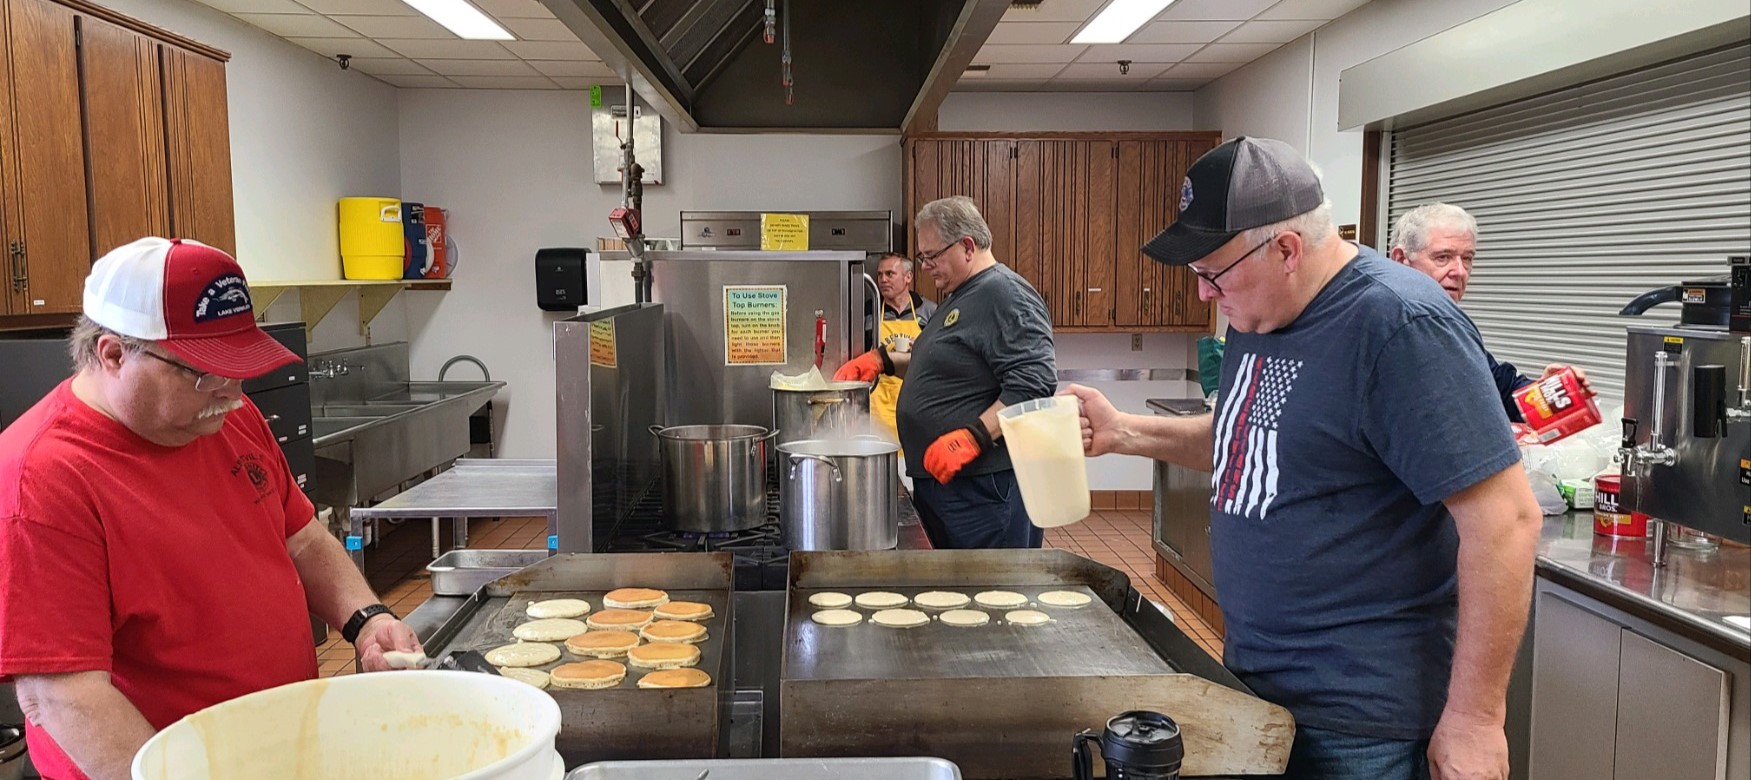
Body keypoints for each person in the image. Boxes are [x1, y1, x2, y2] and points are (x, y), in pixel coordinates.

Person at [1064, 138, 1541, 780]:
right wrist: (1124, 432)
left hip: (1361, 718)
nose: (1205, 295)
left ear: (1286, 249)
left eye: (1213, 274)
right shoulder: (1256, 316)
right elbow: (1250, 437)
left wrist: (1476, 719)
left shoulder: (1398, 325)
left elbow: (1505, 521)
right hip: (1260, 684)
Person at [0, 238, 423, 780]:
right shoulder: (41, 479)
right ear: (112, 354)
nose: (229, 390)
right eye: (203, 371)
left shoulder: (226, 415)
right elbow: (64, 697)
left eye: (238, 366)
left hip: (276, 750)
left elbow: (301, 538)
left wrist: (366, 618)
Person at [834, 197, 1056, 549]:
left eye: (932, 256)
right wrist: (884, 362)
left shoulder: (1004, 294)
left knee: (990, 593)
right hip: (949, 487)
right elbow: (949, 367)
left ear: (967, 246)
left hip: (984, 490)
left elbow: (1035, 384)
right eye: (922, 258)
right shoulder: (959, 295)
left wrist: (974, 437)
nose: (925, 267)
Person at [1388, 202, 1591, 420]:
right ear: (1401, 260)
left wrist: (1544, 394)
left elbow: (1498, 387)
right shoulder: (1376, 329)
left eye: (1467, 259)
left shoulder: (1451, 328)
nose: (1459, 272)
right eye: (1443, 257)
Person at [869, 252, 938, 444]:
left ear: (908, 277)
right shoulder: (868, 312)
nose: (883, 280)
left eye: (890, 274)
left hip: (916, 405)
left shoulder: (930, 312)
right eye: (880, 274)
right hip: (878, 409)